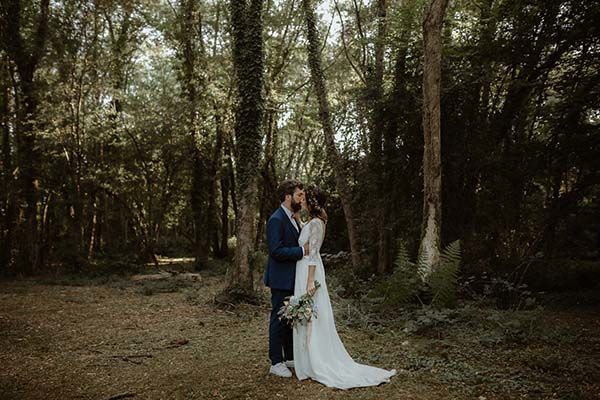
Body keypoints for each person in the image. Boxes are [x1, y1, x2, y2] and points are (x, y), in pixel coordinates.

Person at [292, 185, 396, 389]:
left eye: (305, 197)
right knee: (310, 314)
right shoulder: (315, 221)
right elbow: (307, 233)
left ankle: (315, 360)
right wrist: (297, 219)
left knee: (311, 313)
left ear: (311, 201)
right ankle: (308, 357)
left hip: (308, 269)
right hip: (306, 267)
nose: (301, 199)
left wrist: (310, 281)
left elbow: (312, 253)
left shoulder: (315, 223)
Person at [263, 179, 310, 378]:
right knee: (279, 319)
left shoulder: (292, 217)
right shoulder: (276, 219)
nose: (302, 198)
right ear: (287, 197)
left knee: (290, 319)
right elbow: (276, 251)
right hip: (280, 278)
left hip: (293, 278)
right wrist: (301, 251)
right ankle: (275, 361)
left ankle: (290, 356)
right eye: (299, 195)